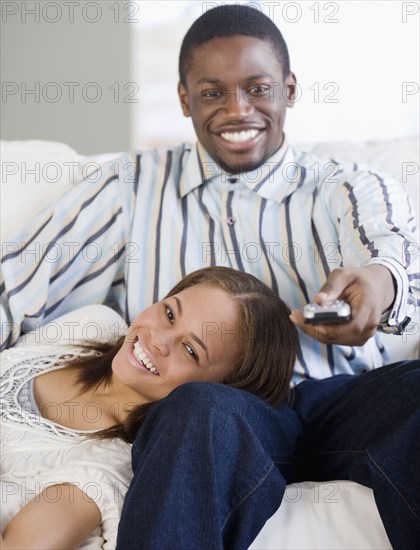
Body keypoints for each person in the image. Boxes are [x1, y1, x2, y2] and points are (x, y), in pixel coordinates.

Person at [0, 4, 418, 549]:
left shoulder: (347, 188)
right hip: (217, 405)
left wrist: (376, 291)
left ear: (289, 89)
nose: (237, 109)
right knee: (196, 410)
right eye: (212, 91)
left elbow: (393, 257)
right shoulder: (131, 187)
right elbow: (19, 283)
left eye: (258, 88)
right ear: (183, 98)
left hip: (337, 398)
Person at [0, 266, 298, 549]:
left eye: (191, 350)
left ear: (216, 392)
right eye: (169, 313)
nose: (159, 339)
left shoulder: (106, 469)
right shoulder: (92, 325)